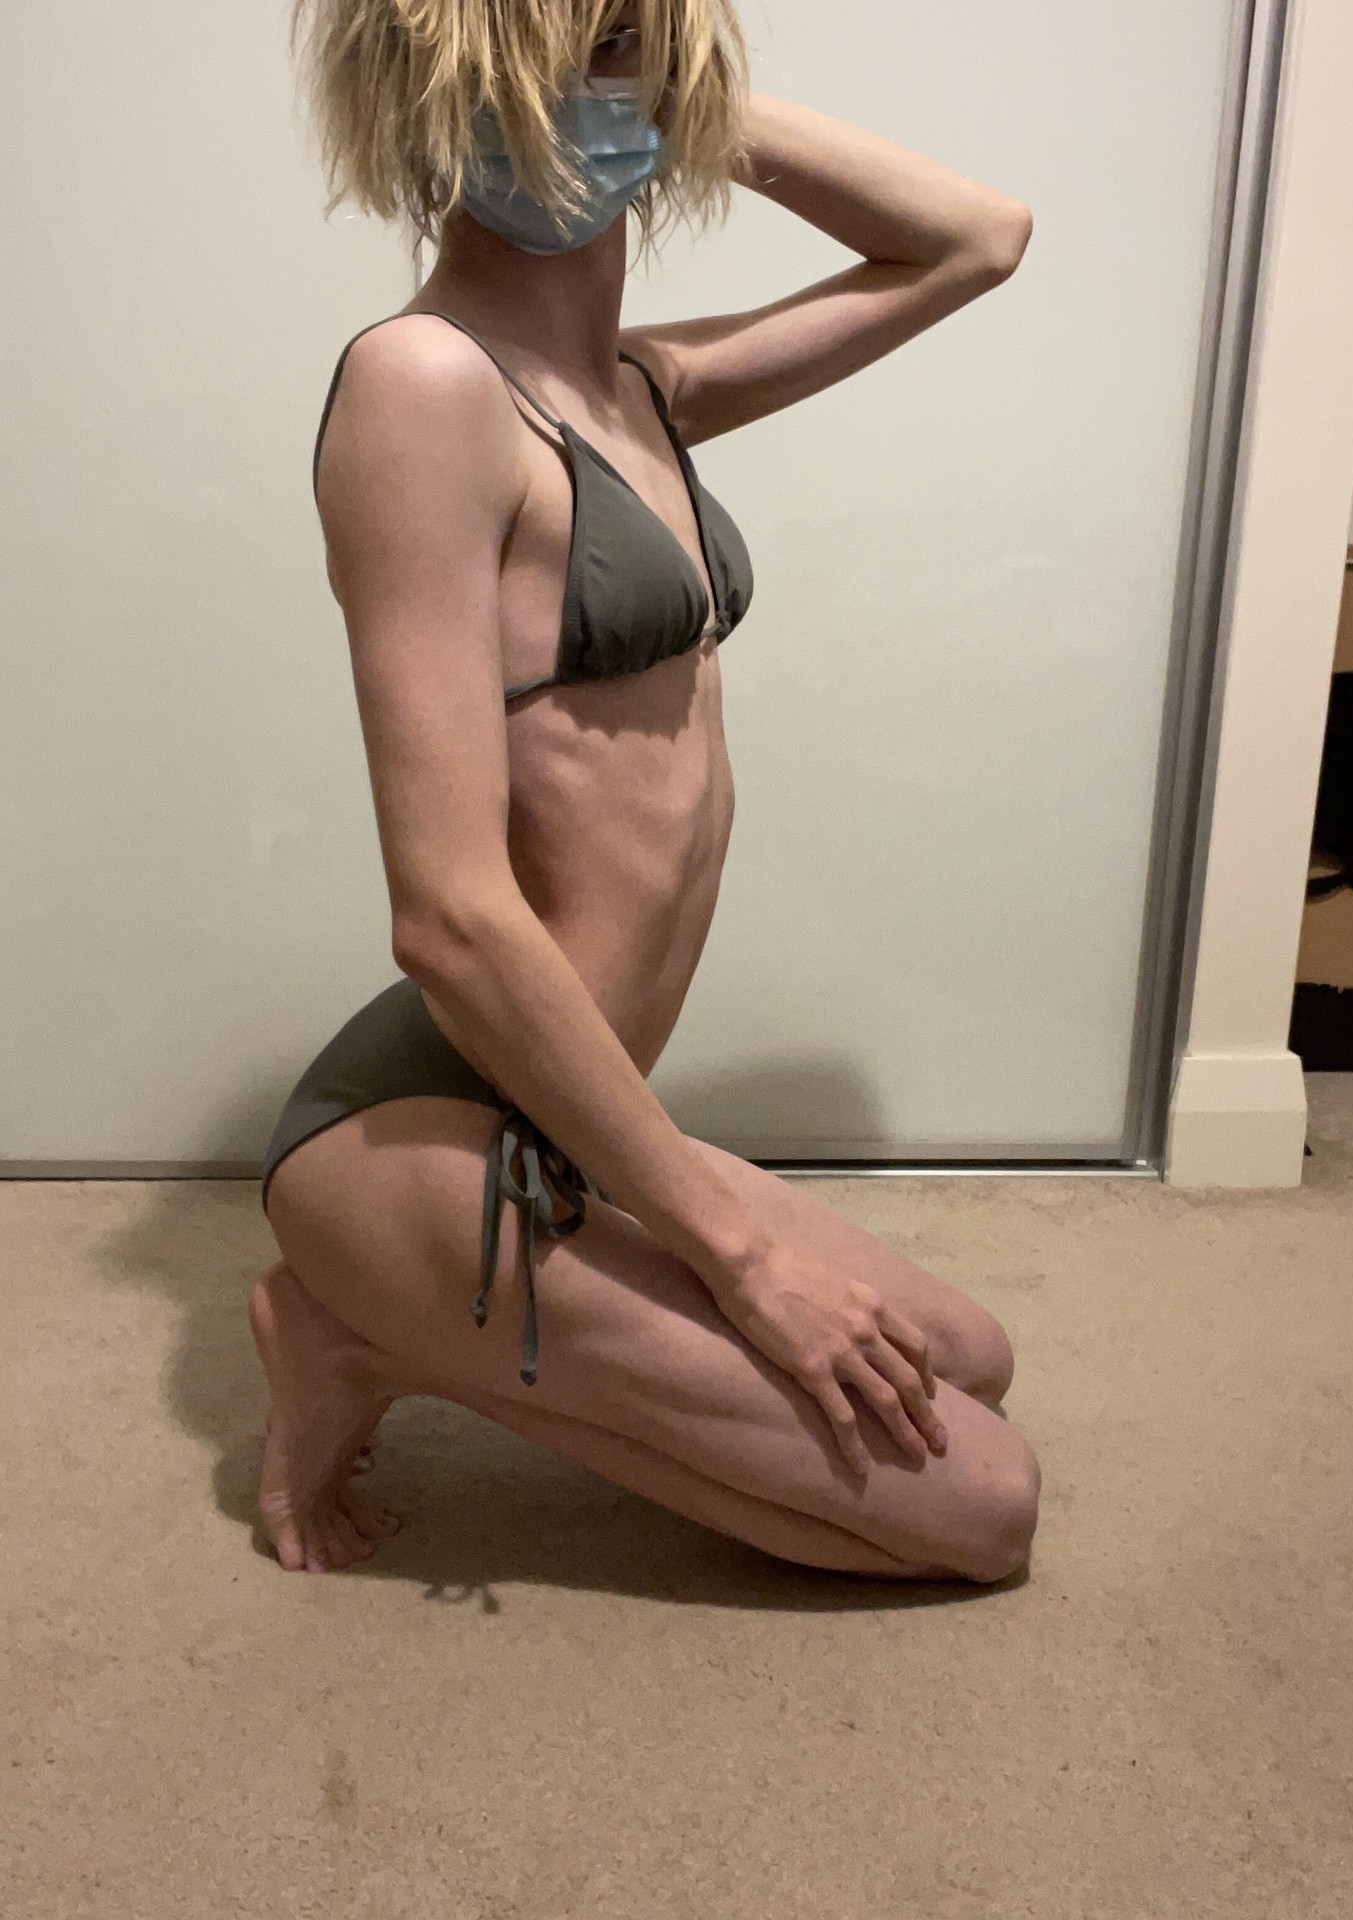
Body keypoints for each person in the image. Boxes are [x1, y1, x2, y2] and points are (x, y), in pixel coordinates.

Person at [252, 0, 1040, 1580]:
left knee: (973, 1360)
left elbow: (975, 240)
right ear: (428, 87)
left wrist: (685, 95)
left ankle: (398, 1324)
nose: (568, 100)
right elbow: (451, 919)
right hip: (433, 1133)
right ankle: (365, 1325)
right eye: (523, 59)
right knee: (984, 1509)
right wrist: (740, 1259)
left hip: (573, 1119)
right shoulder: (423, 388)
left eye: (614, 44)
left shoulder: (638, 388)